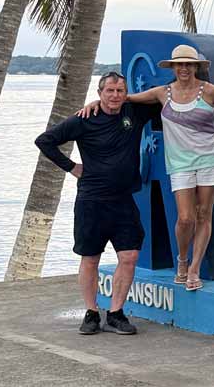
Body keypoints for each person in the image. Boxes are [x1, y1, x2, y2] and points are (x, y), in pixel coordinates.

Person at [79, 44, 214, 290]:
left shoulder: (211, 92)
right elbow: (123, 98)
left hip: (209, 159)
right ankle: (182, 259)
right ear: (173, 67)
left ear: (196, 67)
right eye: (179, 64)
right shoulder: (163, 93)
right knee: (185, 217)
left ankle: (194, 269)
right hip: (179, 163)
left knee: (204, 214)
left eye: (188, 64)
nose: (184, 68)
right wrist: (96, 102)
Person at [34, 72, 147, 336]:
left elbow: (165, 94)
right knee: (90, 258)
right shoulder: (84, 118)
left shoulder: (134, 112)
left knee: (129, 256)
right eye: (110, 91)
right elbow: (44, 141)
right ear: (100, 93)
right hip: (92, 200)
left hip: (123, 200)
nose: (115, 96)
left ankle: (117, 313)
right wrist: (72, 167)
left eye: (120, 91)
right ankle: (92, 312)